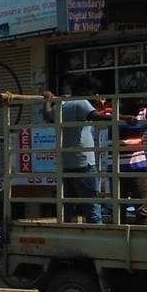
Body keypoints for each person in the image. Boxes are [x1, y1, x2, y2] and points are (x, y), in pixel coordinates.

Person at [42, 78, 110, 223]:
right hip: (84, 164)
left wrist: (47, 100)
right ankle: (98, 242)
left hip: (66, 165)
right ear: (86, 91)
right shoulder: (82, 102)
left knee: (68, 209)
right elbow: (96, 117)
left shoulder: (62, 105)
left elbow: (47, 115)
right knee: (92, 210)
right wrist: (120, 117)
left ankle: (71, 237)